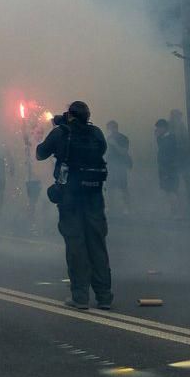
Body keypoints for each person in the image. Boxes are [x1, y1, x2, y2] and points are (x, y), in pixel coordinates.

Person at [37, 101, 112, 311]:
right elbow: (102, 150)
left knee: (76, 245)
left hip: (70, 197)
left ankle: (80, 296)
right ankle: (104, 296)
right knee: (97, 244)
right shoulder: (96, 133)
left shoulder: (61, 133)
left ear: (70, 115)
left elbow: (40, 153)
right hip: (95, 195)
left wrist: (58, 128)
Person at [154, 119, 181, 218]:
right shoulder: (164, 138)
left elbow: (166, 154)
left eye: (158, 128)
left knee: (171, 190)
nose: (157, 130)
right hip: (166, 168)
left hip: (168, 168)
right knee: (169, 190)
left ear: (164, 128)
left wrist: (166, 170)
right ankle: (173, 212)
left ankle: (176, 213)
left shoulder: (170, 138)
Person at [105, 121, 132, 214]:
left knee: (123, 187)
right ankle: (110, 206)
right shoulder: (109, 138)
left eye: (112, 128)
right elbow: (108, 152)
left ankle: (127, 207)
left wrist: (115, 144)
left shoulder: (123, 138)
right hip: (110, 165)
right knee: (109, 187)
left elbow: (124, 152)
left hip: (120, 166)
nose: (110, 131)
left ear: (116, 128)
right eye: (109, 129)